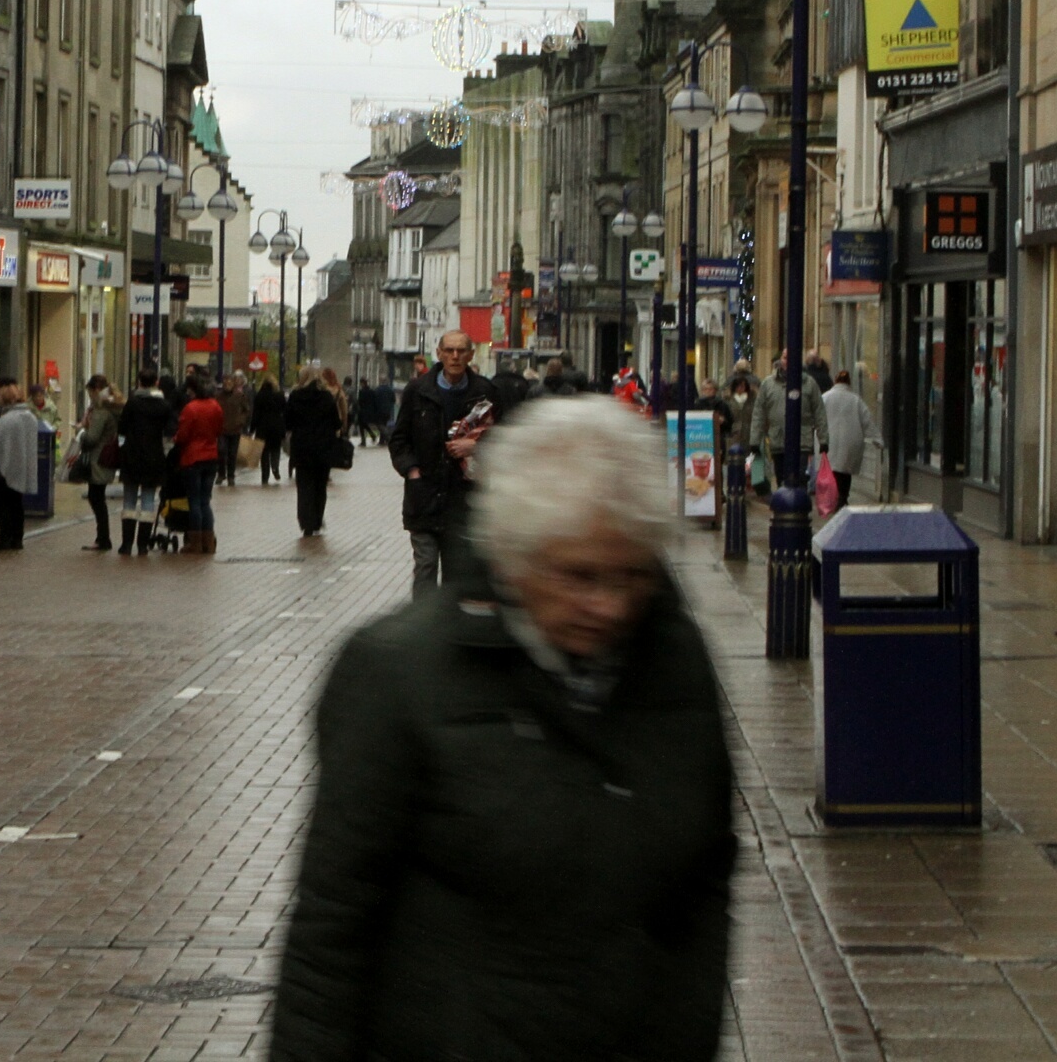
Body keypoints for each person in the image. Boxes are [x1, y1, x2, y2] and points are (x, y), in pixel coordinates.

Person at [271, 397, 735, 1060]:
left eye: (630, 575)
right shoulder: (398, 674)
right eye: (578, 575)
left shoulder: (673, 664)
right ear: (515, 556)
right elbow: (328, 937)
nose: (607, 605)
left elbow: (702, 881)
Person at [386, 331, 494, 595]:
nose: (455, 356)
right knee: (426, 564)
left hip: (463, 499)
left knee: (456, 572)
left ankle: (448, 628)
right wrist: (412, 471)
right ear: (439, 353)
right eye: (449, 350)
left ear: (470, 355)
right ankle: (423, 627)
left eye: (461, 351)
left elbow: (504, 439)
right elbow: (399, 440)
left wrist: (476, 446)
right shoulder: (418, 391)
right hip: (424, 496)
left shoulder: (484, 392)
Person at [115, 368, 177, 554]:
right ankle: (143, 545)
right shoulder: (164, 406)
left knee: (130, 500)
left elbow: (122, 428)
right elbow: (169, 432)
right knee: (149, 500)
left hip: (132, 455)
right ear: (156, 383)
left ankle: (126, 544)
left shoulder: (133, 403)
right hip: (154, 457)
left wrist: (122, 447)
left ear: (139, 382)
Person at [747, 351, 822, 496]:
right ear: (780, 360)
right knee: (782, 478)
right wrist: (755, 440)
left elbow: (819, 411)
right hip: (778, 440)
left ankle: (798, 508)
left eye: (792, 357)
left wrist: (823, 439)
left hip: (802, 440)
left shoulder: (809, 383)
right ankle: (784, 507)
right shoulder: (768, 384)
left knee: (799, 477)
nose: (788, 361)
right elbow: (759, 413)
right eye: (785, 357)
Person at [0, 377, 40, 552]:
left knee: (4, 505)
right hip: (21, 466)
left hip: (3, 469)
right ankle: (17, 538)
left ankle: (5, 538)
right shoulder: (30, 417)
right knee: (17, 504)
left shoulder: (8, 419)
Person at [285, 365, 346, 539]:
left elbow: (288, 422)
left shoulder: (295, 397)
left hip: (302, 448)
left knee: (304, 486)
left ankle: (306, 523)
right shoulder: (326, 397)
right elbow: (336, 423)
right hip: (323, 448)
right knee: (320, 486)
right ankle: (317, 519)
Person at [172, 376, 225, 554]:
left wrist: (176, 439)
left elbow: (183, 435)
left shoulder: (191, 408)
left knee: (194, 501)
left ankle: (194, 542)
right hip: (211, 455)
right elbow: (219, 429)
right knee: (205, 500)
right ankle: (208, 542)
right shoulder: (215, 406)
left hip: (193, 457)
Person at [77, 376, 122, 551]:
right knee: (98, 498)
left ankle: (103, 539)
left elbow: (92, 438)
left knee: (96, 498)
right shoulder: (113, 407)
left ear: (95, 390)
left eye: (90, 393)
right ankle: (102, 538)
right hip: (107, 458)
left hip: (98, 459)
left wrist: (81, 431)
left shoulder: (101, 411)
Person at [820, 370, 875, 506]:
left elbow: (818, 417)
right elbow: (867, 420)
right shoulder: (856, 400)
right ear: (849, 382)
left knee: (832, 470)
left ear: (835, 381)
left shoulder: (825, 397)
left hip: (829, 439)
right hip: (850, 440)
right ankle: (843, 497)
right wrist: (877, 438)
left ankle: (833, 498)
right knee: (845, 471)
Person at [250, 372, 288, 486]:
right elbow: (285, 411)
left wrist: (252, 428)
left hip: (263, 426)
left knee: (264, 452)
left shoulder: (259, 395)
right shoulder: (279, 395)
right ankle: (275, 467)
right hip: (277, 426)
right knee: (275, 449)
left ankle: (265, 475)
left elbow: (255, 413)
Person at [218, 372, 252, 488]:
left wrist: (241, 421)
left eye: (230, 381)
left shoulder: (239, 396)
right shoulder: (218, 396)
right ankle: (221, 473)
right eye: (225, 381)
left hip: (235, 429)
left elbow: (246, 410)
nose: (227, 384)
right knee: (221, 451)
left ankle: (231, 476)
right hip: (222, 429)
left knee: (232, 454)